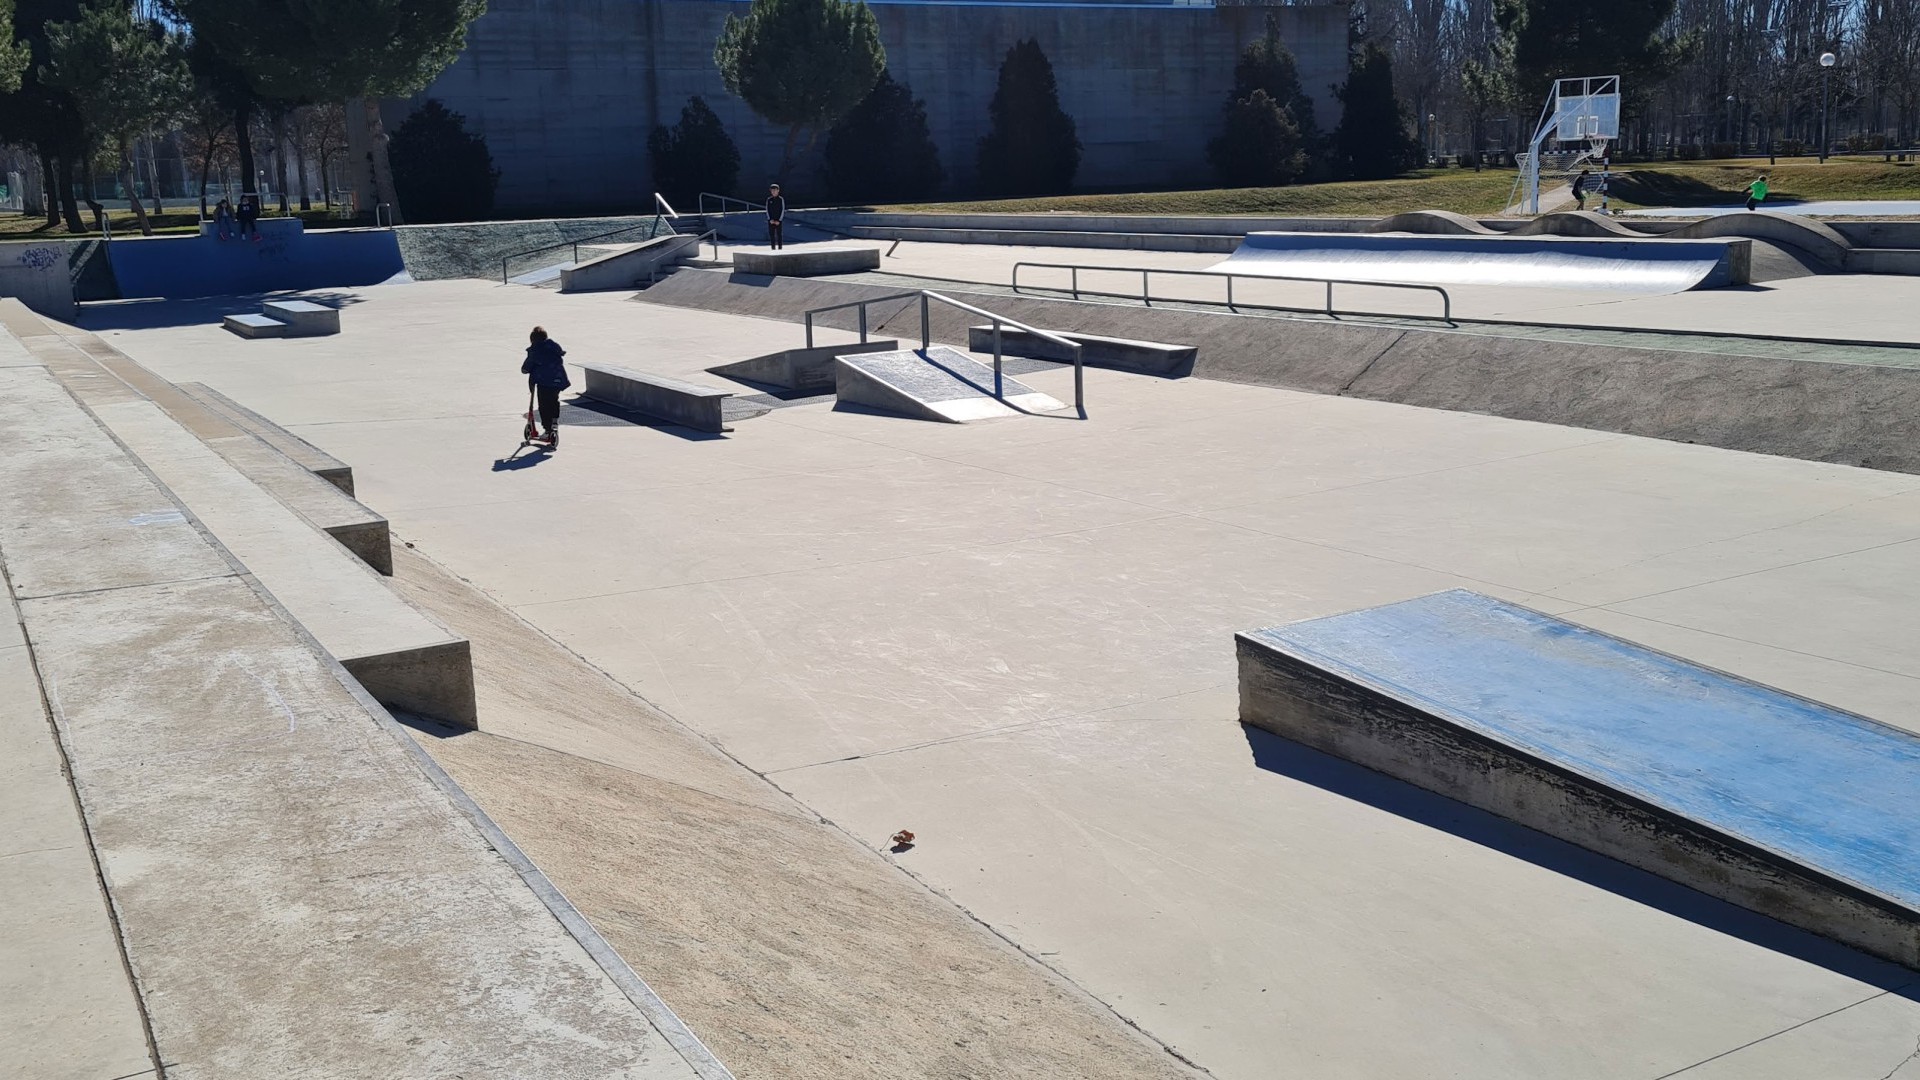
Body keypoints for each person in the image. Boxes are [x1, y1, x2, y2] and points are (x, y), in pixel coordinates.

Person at [520, 326, 571, 449]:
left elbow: (526, 367)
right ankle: (554, 422)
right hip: (558, 380)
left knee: (544, 405)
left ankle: (548, 430)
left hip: (544, 382)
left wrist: (525, 369)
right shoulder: (553, 348)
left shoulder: (536, 350)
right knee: (553, 401)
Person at [765, 183, 785, 249]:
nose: (773, 192)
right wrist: (770, 219)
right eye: (772, 190)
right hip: (771, 220)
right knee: (772, 235)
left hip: (778, 220)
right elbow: (767, 210)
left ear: (778, 190)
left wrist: (779, 220)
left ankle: (780, 248)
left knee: (779, 235)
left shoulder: (781, 199)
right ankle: (773, 248)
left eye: (775, 190)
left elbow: (782, 209)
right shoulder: (769, 199)